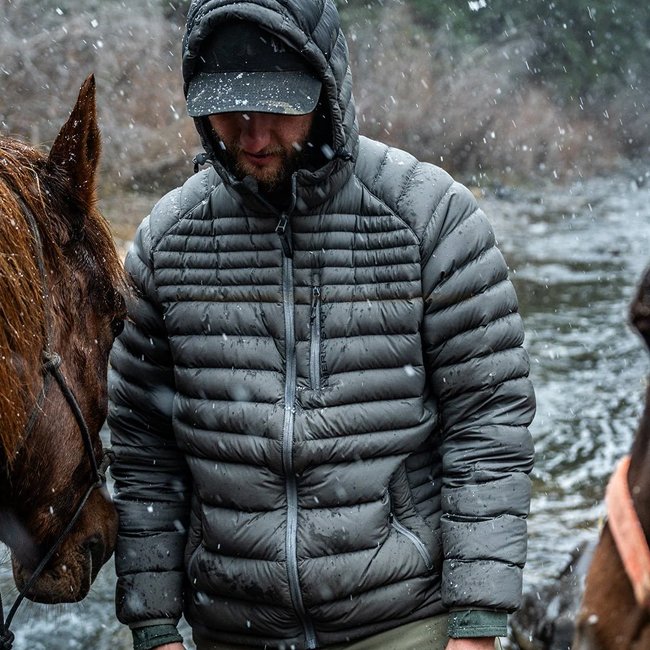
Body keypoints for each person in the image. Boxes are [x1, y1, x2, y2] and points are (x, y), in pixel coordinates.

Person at [107, 1, 536, 649]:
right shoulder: (166, 244)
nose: (252, 136)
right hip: (233, 628)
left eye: (277, 110)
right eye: (230, 112)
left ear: (326, 89)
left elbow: (487, 419)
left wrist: (477, 621)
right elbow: (143, 446)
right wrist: (153, 624)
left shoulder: (430, 219)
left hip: (406, 621)